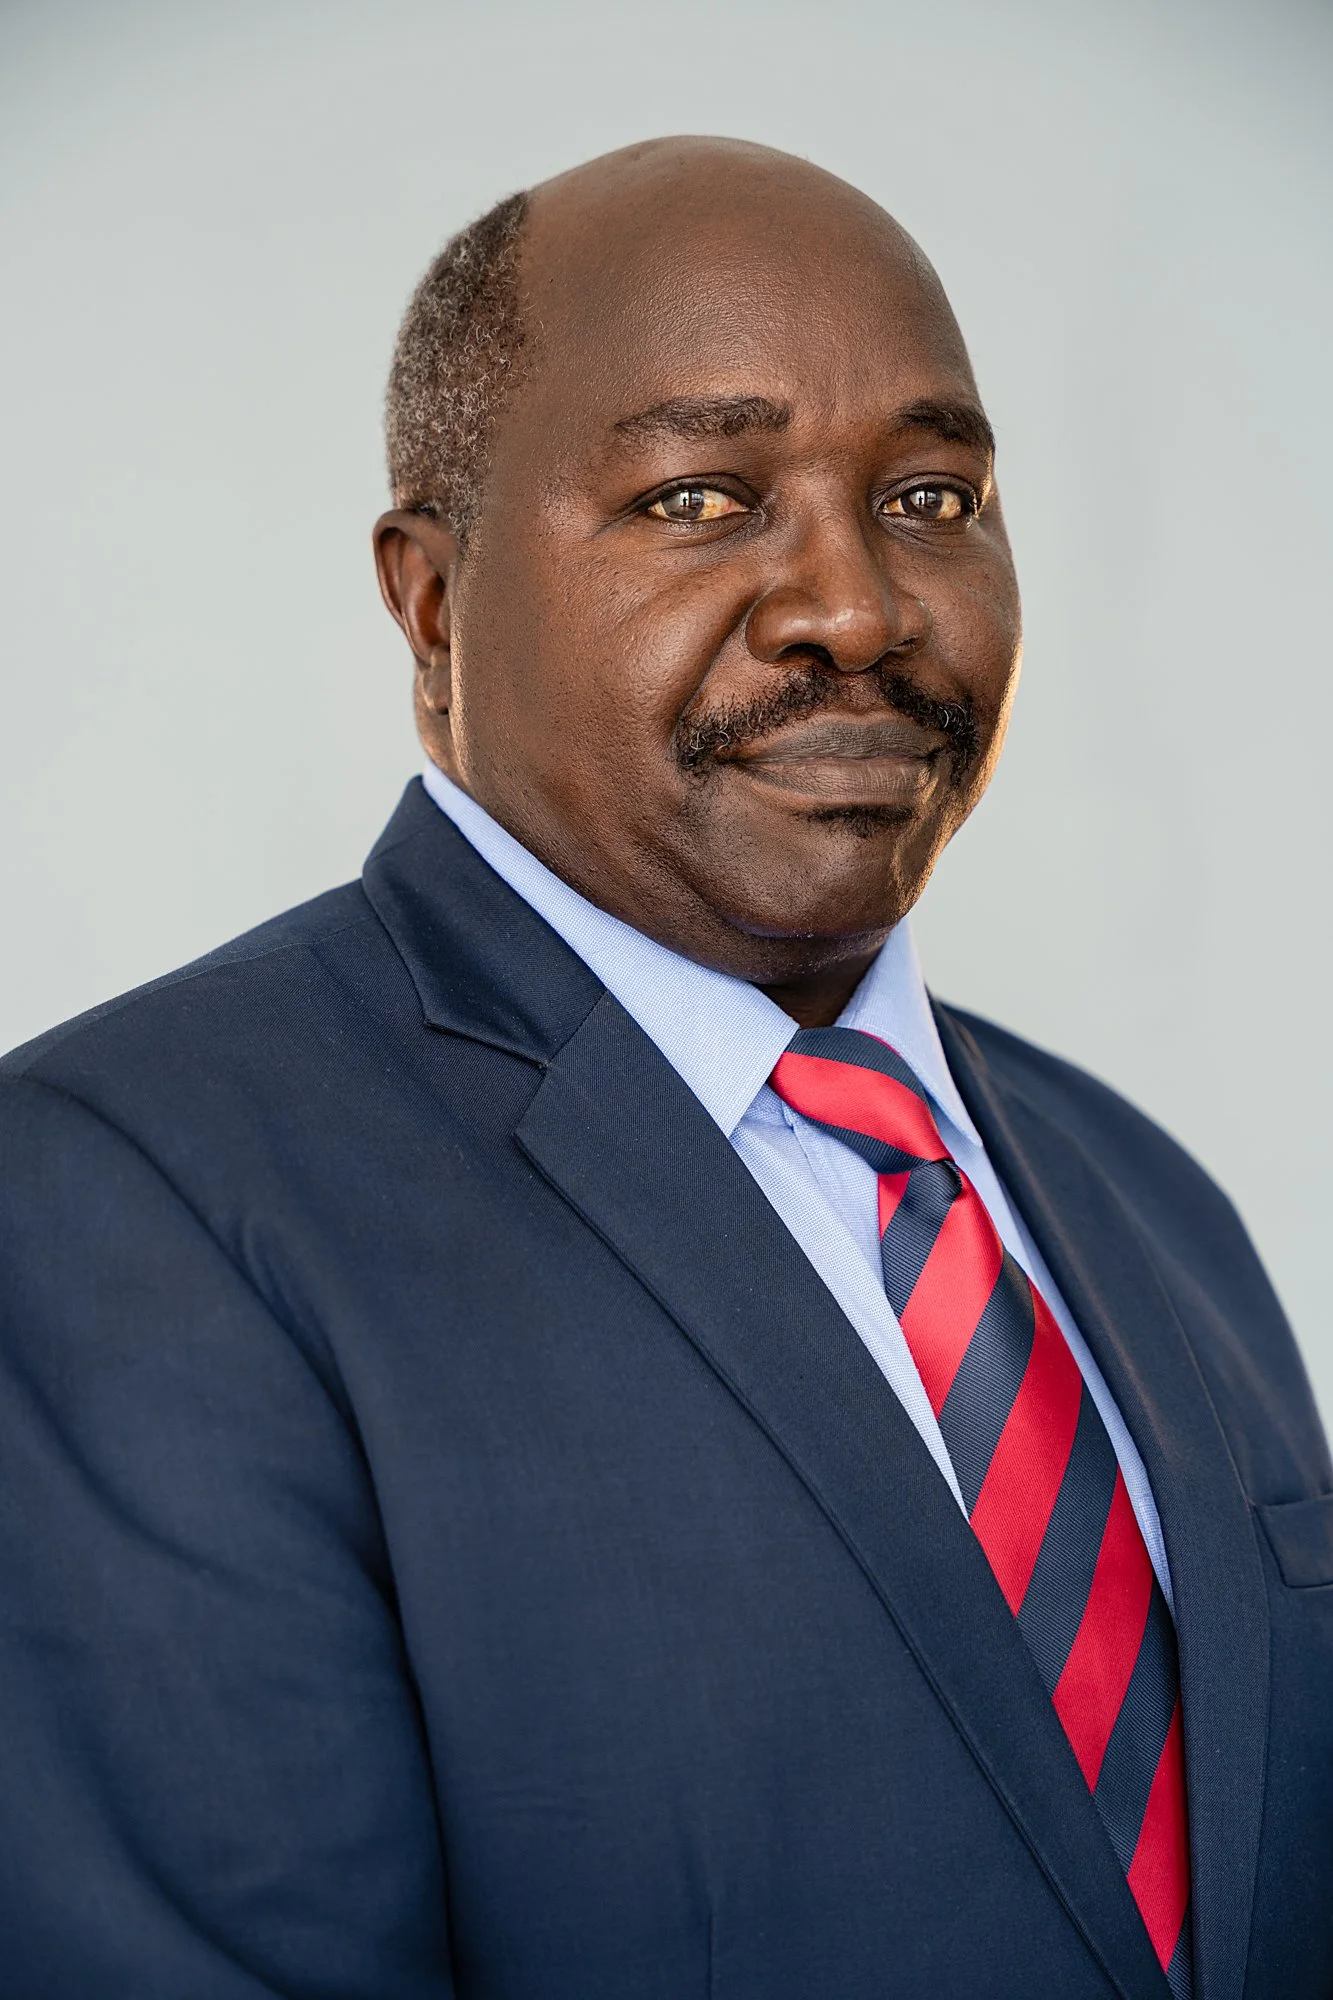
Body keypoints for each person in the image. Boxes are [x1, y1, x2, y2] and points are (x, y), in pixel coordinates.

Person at [0, 136, 1329, 2000]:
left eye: (933, 497)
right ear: (433, 606)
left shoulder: (1152, 1204)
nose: (857, 607)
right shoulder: (126, 1202)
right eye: (704, 495)